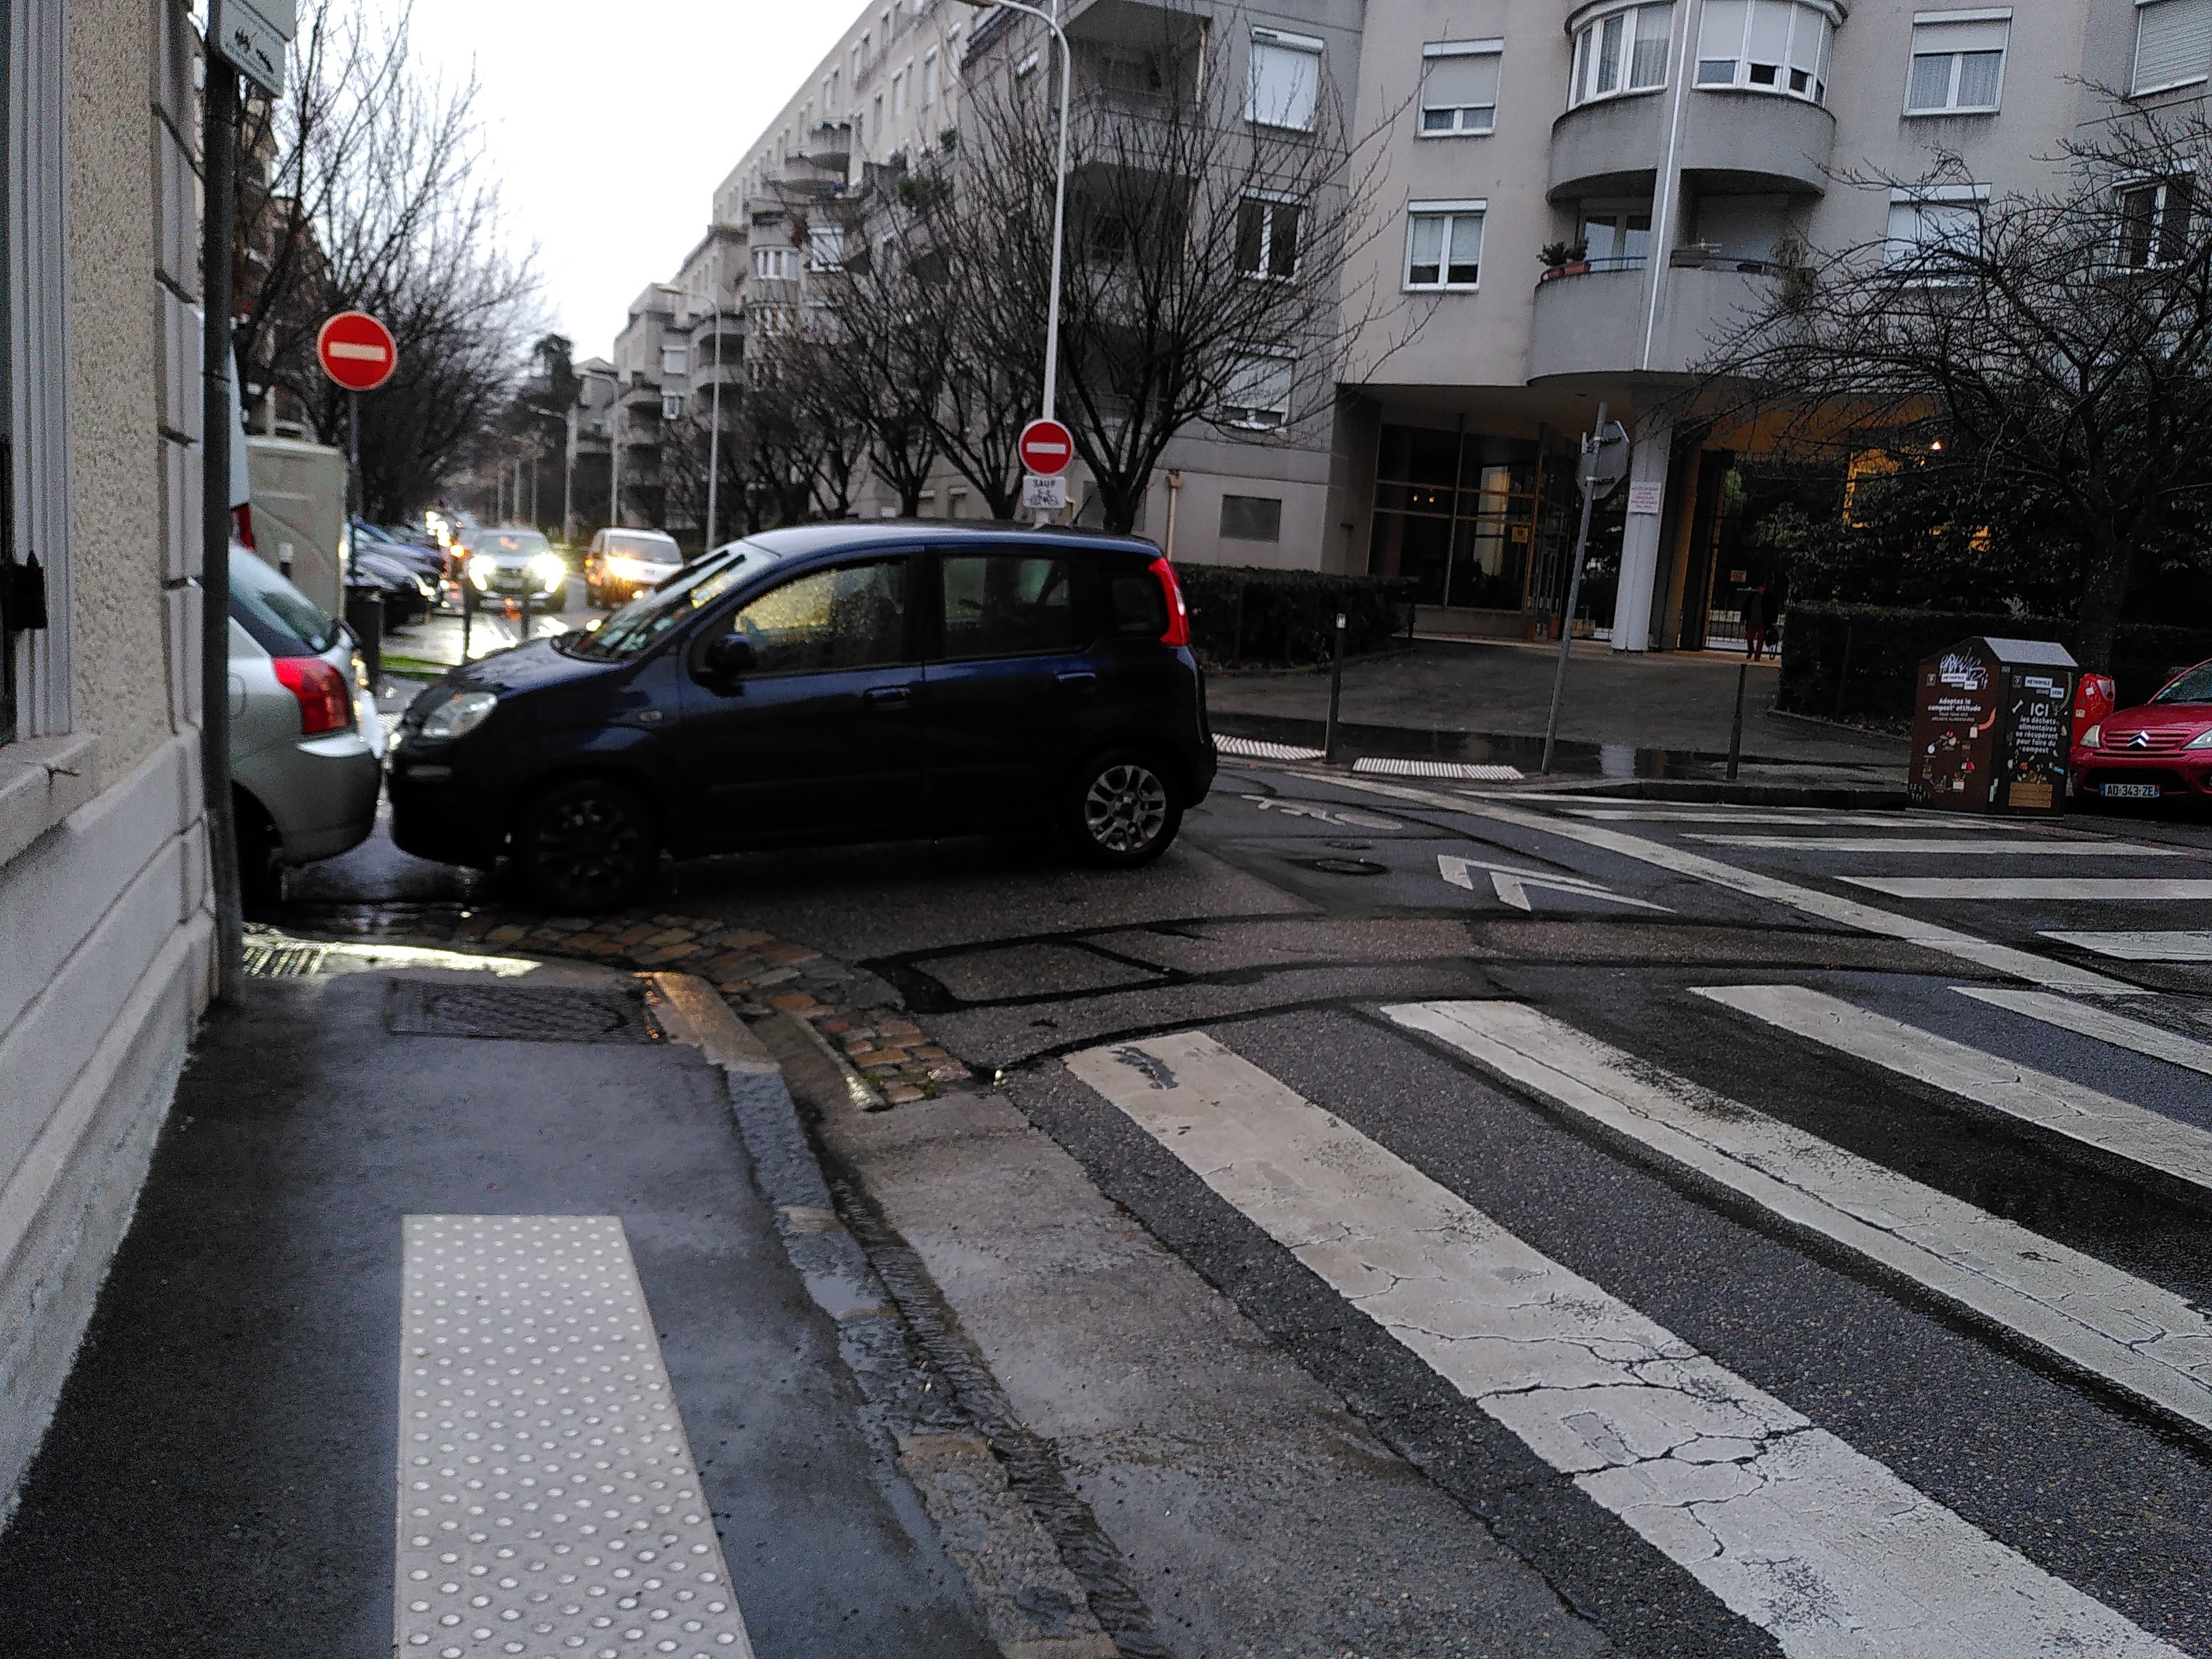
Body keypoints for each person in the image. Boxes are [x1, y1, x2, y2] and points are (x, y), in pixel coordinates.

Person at [1742, 584, 1769, 661]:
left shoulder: (1767, 598)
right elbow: (1746, 607)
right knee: (1749, 637)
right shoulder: (1752, 597)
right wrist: (1743, 617)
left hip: (1762, 622)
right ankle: (1751, 650)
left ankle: (1757, 655)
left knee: (1761, 639)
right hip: (1752, 621)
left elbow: (1772, 609)